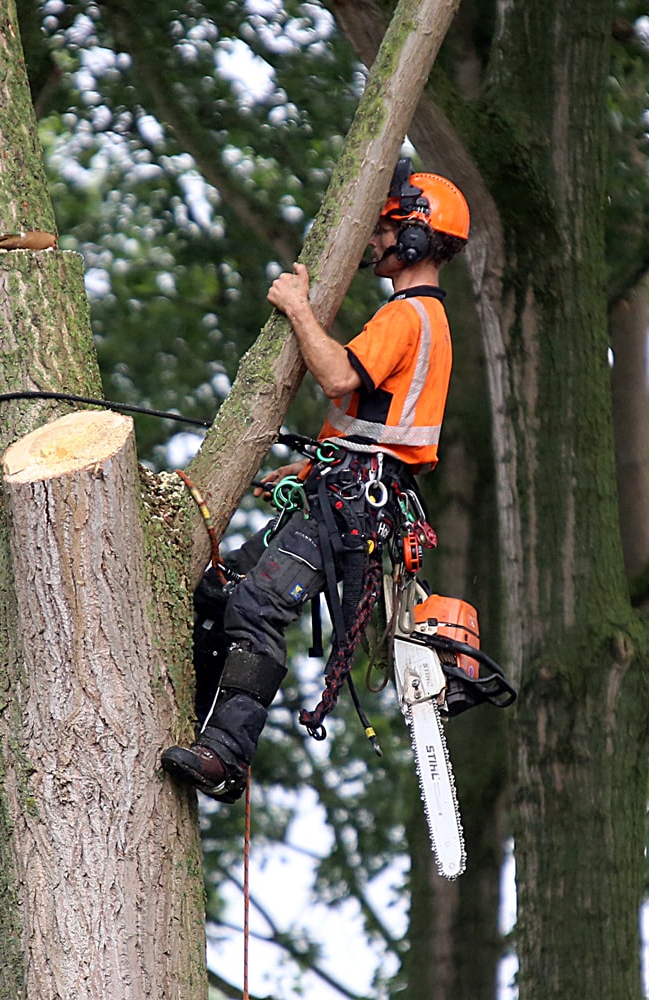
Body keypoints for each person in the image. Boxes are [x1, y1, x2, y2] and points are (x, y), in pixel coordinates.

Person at [162, 160, 470, 803]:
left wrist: (299, 308)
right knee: (218, 589)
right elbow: (381, 431)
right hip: (346, 493)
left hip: (353, 508)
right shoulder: (426, 321)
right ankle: (199, 724)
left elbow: (336, 375)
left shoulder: (408, 316)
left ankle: (225, 757)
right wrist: (307, 468)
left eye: (387, 228)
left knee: (256, 605)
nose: (377, 241)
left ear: (414, 236)